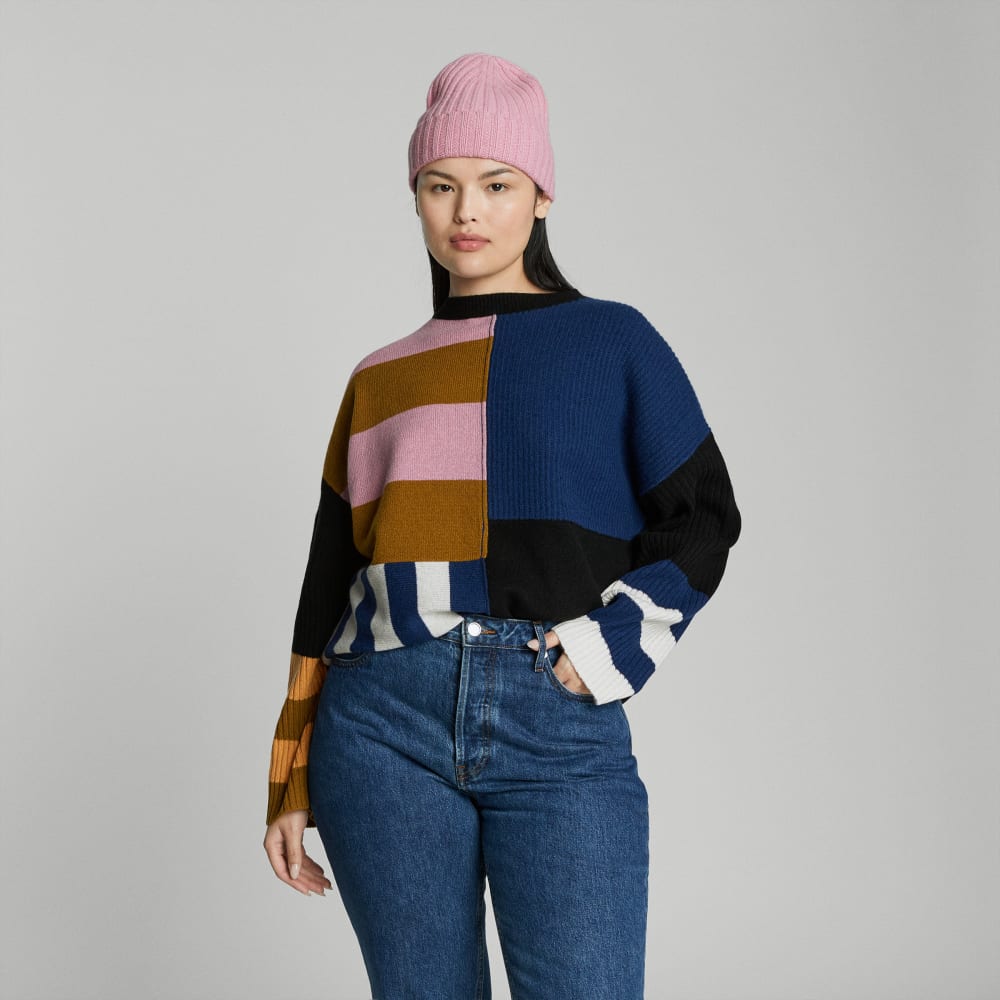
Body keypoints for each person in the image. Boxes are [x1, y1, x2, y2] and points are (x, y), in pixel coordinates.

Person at [263, 52, 741, 999]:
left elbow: (704, 519)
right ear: (416, 199)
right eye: (440, 186)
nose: (467, 211)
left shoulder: (614, 341)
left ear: (543, 196)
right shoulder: (379, 378)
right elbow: (327, 584)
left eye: (496, 184)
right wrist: (290, 775)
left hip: (554, 717)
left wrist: (611, 646)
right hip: (380, 723)